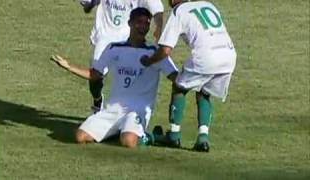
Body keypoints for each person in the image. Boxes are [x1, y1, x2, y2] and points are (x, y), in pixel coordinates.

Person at [50, 7, 178, 148]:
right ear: (129, 23)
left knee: (128, 142)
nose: (143, 27)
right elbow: (95, 75)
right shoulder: (114, 48)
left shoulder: (154, 53)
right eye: (139, 22)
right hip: (113, 110)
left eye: (147, 23)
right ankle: (119, 131)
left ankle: (153, 136)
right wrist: (68, 66)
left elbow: (176, 77)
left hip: (137, 110)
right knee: (81, 137)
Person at [140, 0, 237, 152]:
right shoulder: (208, 4)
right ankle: (203, 138)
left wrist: (149, 60)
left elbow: (165, 50)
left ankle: (173, 134)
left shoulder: (179, 11)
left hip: (207, 57)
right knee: (205, 92)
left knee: (179, 87)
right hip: (228, 55)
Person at [79, 0, 165, 112]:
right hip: (104, 37)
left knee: (129, 75)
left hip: (128, 37)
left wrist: (159, 28)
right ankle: (97, 99)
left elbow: (158, 10)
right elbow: (87, 6)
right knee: (95, 77)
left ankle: (128, 112)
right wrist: (90, 5)